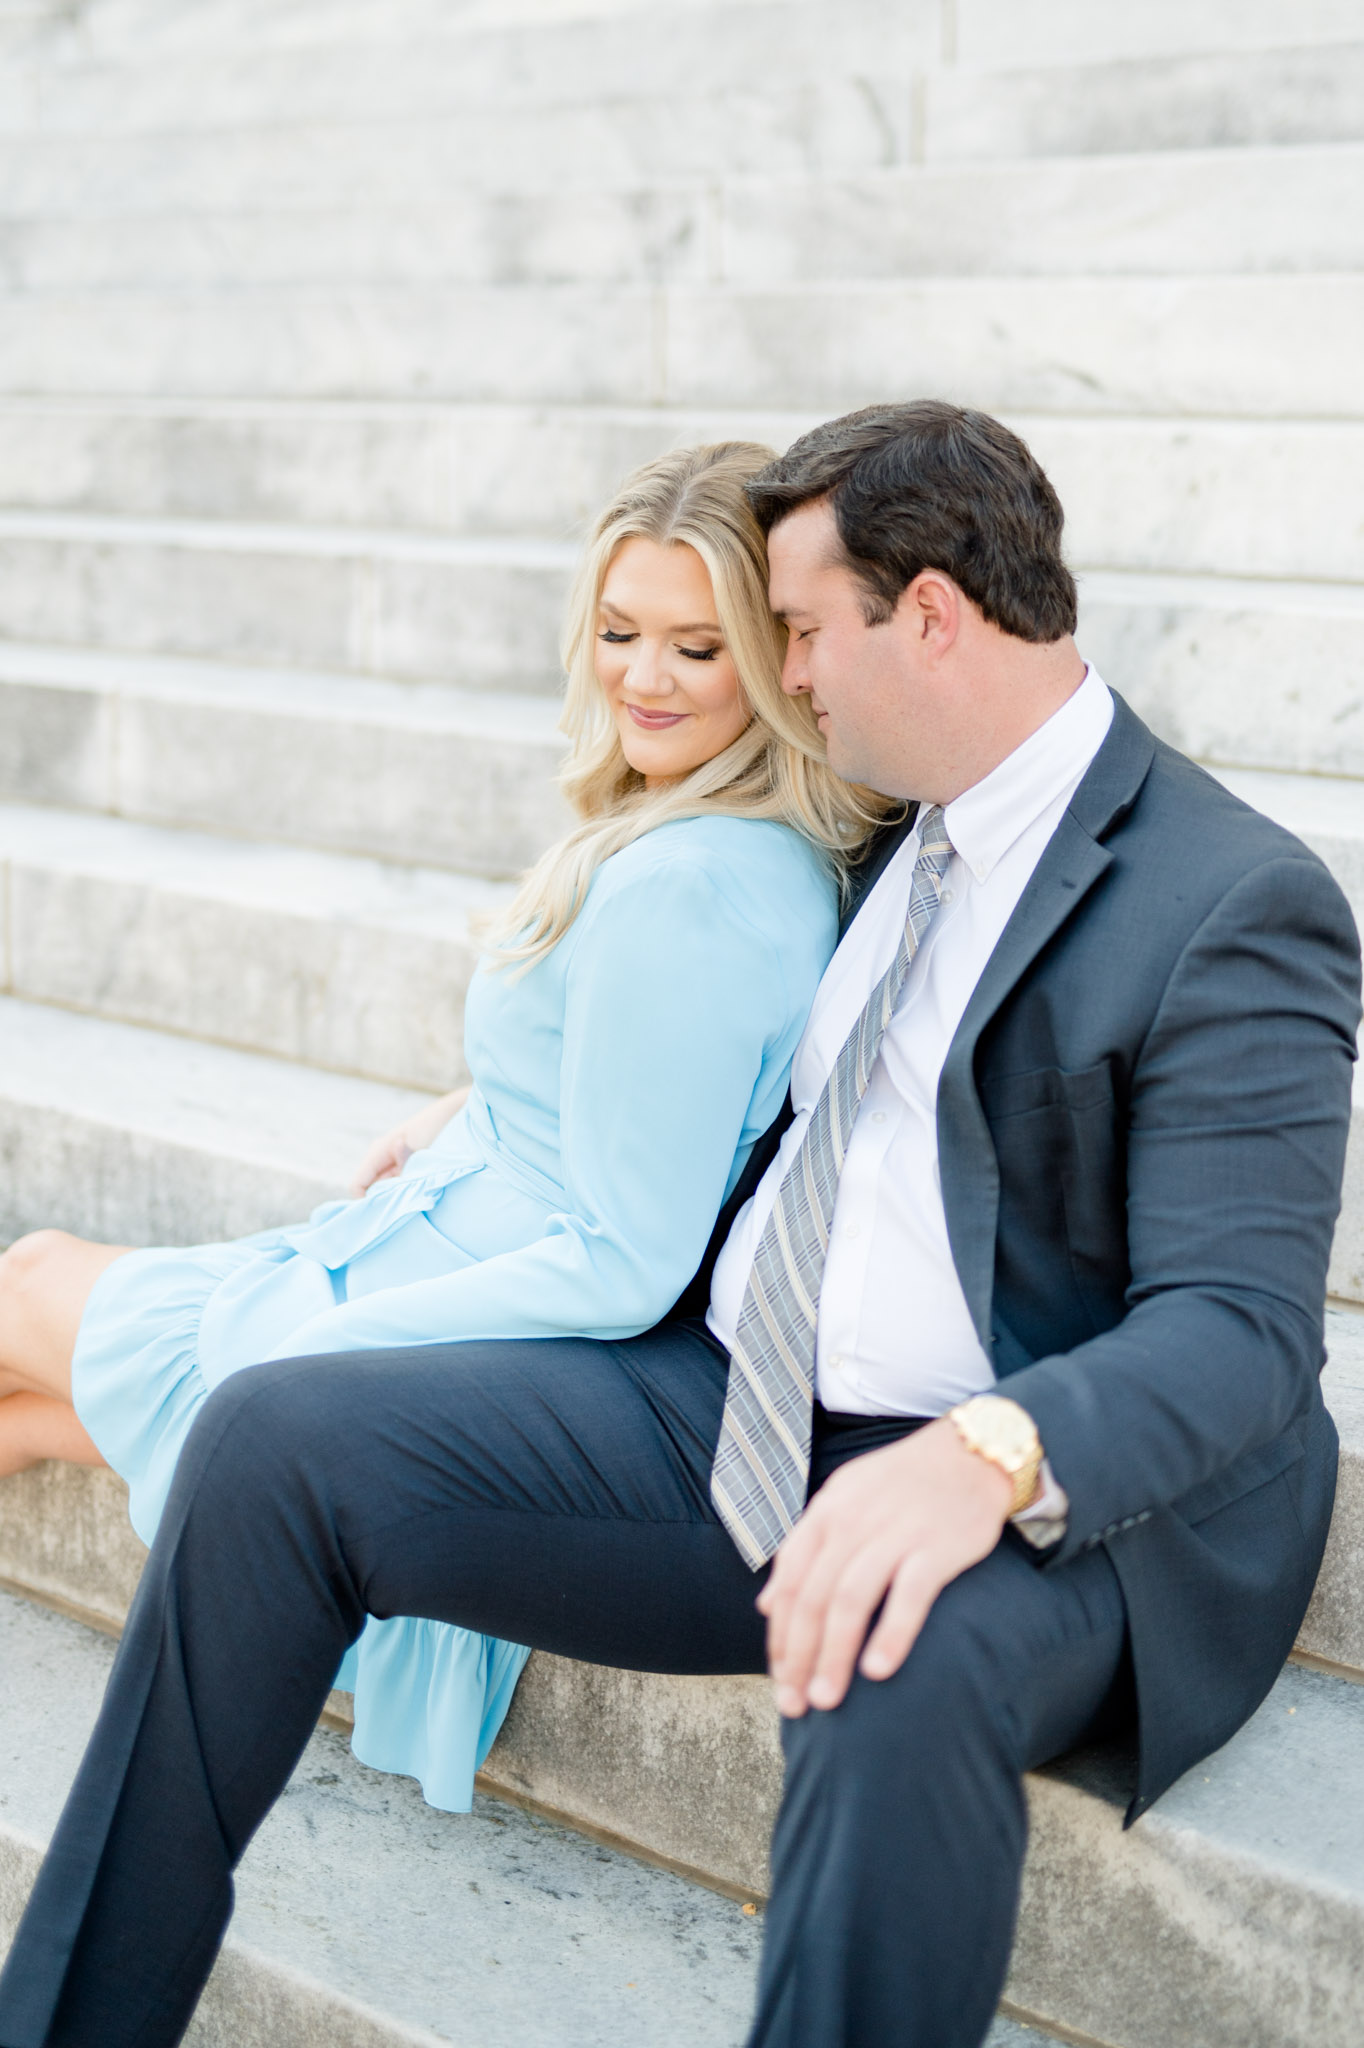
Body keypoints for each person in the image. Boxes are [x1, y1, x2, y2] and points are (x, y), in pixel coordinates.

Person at [0, 400, 1358, 2048]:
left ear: (927, 616)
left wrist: (981, 1456)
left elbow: (1242, 1332)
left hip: (1029, 1491)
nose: (782, 680)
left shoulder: (1232, 901)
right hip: (733, 1410)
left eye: (796, 634)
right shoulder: (891, 822)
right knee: (271, 1437)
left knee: (885, 1671)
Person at [0, 440, 890, 1816]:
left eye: (697, 648)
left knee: (29, 1279)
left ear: (775, 660)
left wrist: (321, 1357)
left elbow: (627, 1259)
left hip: (452, 1306)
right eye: (618, 632)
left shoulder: (697, 890)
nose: (643, 680)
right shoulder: (722, 837)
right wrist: (484, 1094)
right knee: (38, 1411)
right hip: (443, 1239)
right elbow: (664, 1068)